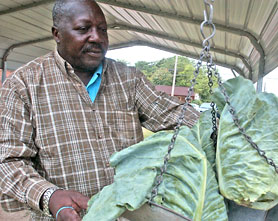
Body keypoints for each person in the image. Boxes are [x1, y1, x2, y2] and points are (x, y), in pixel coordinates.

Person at [0, 0, 199, 220]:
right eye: (83, 29)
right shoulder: (23, 84)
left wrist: (226, 128)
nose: (96, 37)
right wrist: (50, 197)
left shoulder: (128, 79)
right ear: (57, 34)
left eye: (102, 29)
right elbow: (8, 161)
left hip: (126, 215)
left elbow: (176, 116)